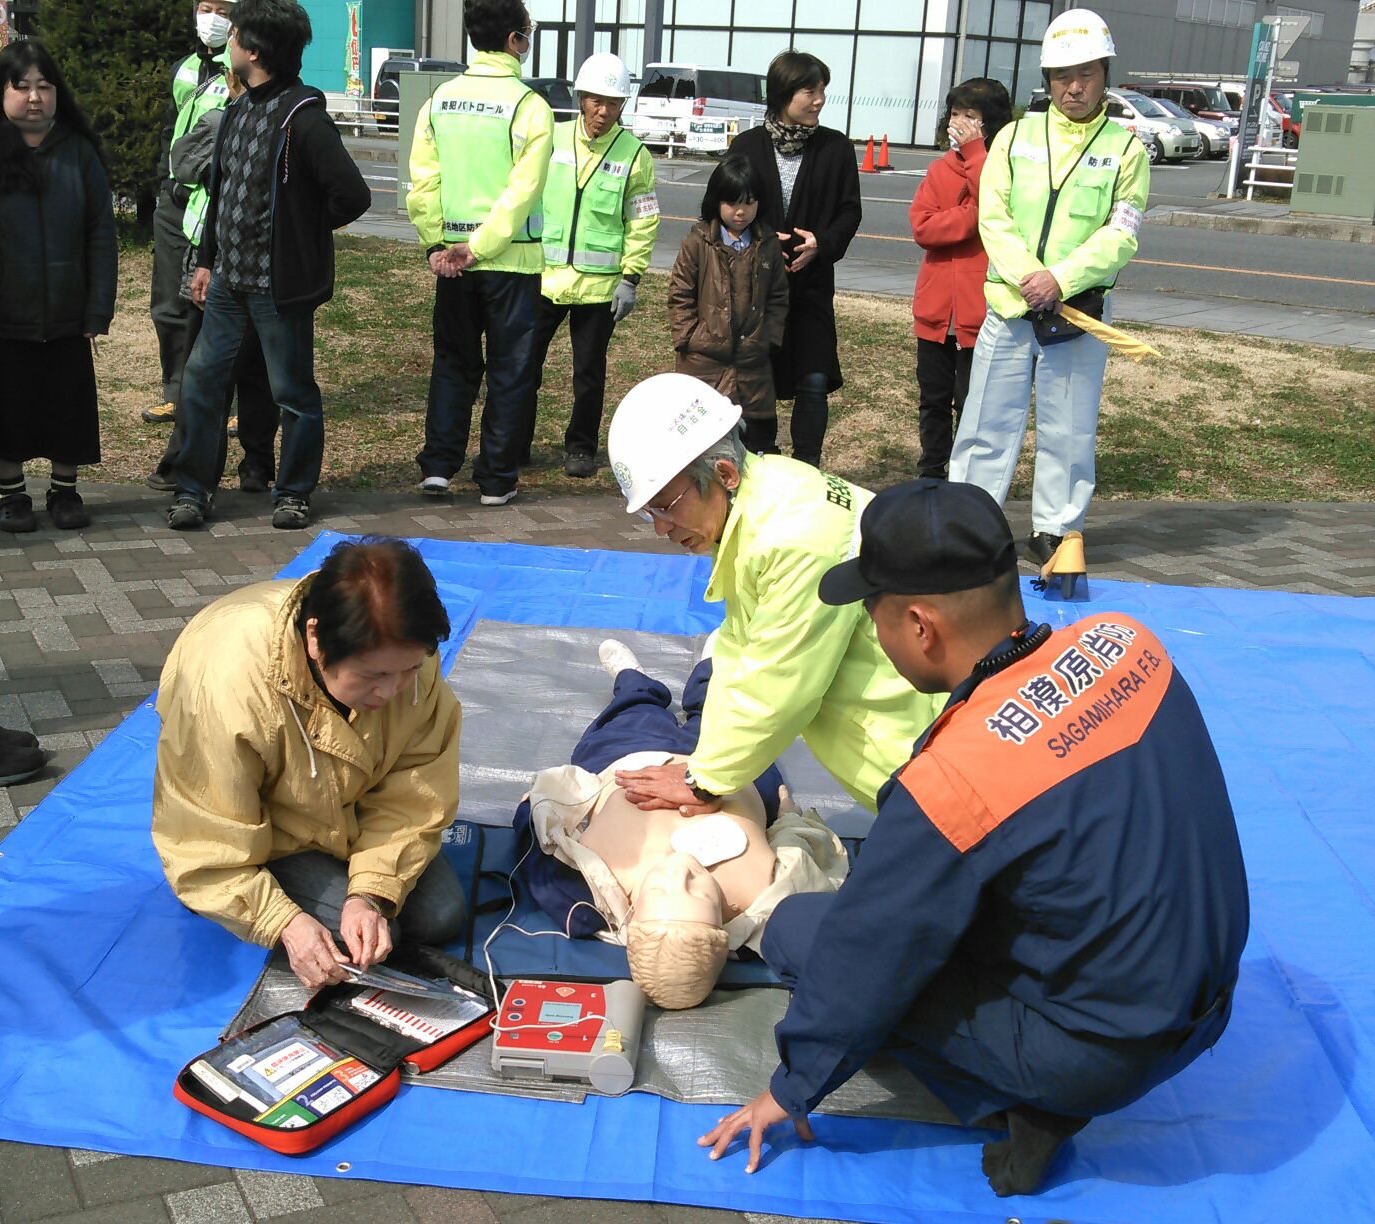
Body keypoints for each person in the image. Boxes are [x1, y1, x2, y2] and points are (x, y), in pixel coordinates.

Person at [699, 478, 1248, 1198]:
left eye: (874, 615)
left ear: (921, 626)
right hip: (1211, 1000)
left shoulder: (952, 780)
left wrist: (792, 1085)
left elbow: (866, 951)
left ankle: (1032, 1106)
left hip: (1106, 1055)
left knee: (807, 930)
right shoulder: (1126, 642)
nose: (876, 633)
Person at [605, 372, 943, 822]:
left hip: (927, 758)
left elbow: (779, 684)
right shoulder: (769, 495)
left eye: (666, 506)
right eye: (650, 512)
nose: (661, 528)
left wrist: (702, 781)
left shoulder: (794, 539)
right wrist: (706, 762)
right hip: (914, 751)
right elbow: (742, 647)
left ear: (723, 473)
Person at [152, 537, 468, 992]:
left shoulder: (408, 653)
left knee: (438, 916)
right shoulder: (226, 690)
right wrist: (284, 922)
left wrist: (370, 893)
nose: (391, 691)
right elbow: (205, 836)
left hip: (349, 806)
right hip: (270, 833)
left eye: (408, 671)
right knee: (363, 941)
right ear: (315, 638)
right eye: (373, 676)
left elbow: (416, 793)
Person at [515, 639, 847, 1009]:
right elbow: (802, 852)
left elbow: (542, 847)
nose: (678, 871)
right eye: (699, 891)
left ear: (633, 919)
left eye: (658, 892)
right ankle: (709, 674)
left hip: (635, 756)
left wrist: (537, 805)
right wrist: (787, 813)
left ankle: (633, 681)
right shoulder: (758, 899)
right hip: (734, 769)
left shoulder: (589, 899)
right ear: (724, 929)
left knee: (629, 715)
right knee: (726, 715)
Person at [948, 9, 1148, 568]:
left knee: (1069, 430)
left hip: (1076, 315)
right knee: (985, 426)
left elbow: (1121, 234)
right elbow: (995, 215)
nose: (1074, 87)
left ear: (1105, 74)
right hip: (1010, 309)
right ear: (1047, 79)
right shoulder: (1014, 136)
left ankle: (1057, 534)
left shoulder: (1126, 149)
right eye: (1062, 75)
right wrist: (1029, 279)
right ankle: (972, 527)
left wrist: (1060, 280)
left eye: (1085, 73)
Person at [164, 0, 371, 532]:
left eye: (233, 36)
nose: (225, 40)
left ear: (252, 52)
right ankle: (192, 488)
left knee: (293, 393)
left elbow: (351, 195)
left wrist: (302, 233)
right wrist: (207, 261)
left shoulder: (303, 118)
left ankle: (294, 492)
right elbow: (222, 194)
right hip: (229, 284)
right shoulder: (237, 110)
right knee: (201, 384)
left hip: (279, 289)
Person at [0, 40, 116, 533]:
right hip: (0, 309)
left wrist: (97, 307)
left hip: (67, 307)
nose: (33, 97)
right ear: (0, 92)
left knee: (65, 402)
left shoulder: (78, 150)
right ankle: (12, 495)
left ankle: (65, 491)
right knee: (7, 402)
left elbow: (100, 233)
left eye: (43, 86)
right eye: (21, 86)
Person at [407, 0, 554, 506]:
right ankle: (495, 479)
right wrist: (484, 244)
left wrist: (436, 244)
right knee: (510, 371)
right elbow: (523, 190)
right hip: (510, 262)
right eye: (528, 33)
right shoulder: (528, 106)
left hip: (451, 261)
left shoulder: (441, 99)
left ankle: (439, 466)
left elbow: (424, 180)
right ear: (515, 40)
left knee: (453, 363)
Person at [143, 18, 277, 498]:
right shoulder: (283, 111)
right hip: (240, 255)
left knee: (210, 368)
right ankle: (256, 464)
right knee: (253, 363)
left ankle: (188, 468)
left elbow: (185, 160)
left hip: (224, 257)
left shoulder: (233, 113)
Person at [521, 51, 658, 479]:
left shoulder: (636, 156)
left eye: (613, 103)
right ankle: (513, 443)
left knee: (589, 375)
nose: (603, 111)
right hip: (542, 278)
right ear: (581, 98)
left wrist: (630, 278)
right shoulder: (552, 139)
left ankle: (580, 448)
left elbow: (642, 221)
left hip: (600, 288)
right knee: (523, 366)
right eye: (596, 100)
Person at [727, 51, 860, 465]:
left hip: (811, 286)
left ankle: (807, 466)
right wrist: (757, 240)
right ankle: (761, 459)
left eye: (822, 90)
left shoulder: (836, 148)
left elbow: (849, 211)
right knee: (756, 377)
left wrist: (821, 243)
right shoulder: (747, 146)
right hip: (757, 290)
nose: (819, 99)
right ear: (784, 93)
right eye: (810, 90)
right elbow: (722, 206)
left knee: (814, 378)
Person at [909, 77, 1011, 479]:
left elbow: (995, 206)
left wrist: (976, 156)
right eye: (955, 114)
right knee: (932, 398)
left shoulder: (1001, 168)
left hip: (979, 310)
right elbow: (923, 228)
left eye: (972, 116)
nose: (960, 124)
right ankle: (931, 473)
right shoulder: (939, 169)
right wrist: (969, 218)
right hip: (935, 310)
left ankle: (968, 477)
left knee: (972, 402)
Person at [667, 158, 789, 434]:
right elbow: (680, 293)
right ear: (716, 201)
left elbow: (778, 297)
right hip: (703, 360)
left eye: (749, 202)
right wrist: (689, 336)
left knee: (756, 437)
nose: (741, 212)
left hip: (752, 362)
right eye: (732, 203)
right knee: (702, 438)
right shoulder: (698, 242)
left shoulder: (767, 245)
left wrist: (768, 337)